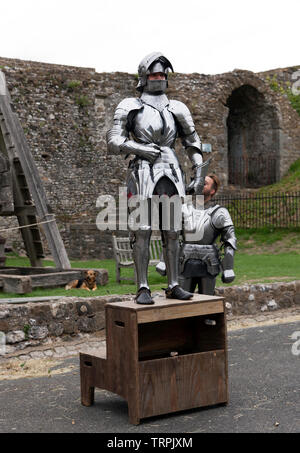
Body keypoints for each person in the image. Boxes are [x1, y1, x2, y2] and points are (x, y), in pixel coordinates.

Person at [107, 52, 209, 304]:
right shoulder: (130, 105)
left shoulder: (177, 107)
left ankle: (173, 284)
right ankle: (143, 287)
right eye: (154, 73)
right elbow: (113, 141)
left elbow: (192, 140)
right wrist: (139, 148)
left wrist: (198, 169)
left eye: (163, 74)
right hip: (142, 169)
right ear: (144, 76)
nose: (159, 78)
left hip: (172, 170)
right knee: (142, 230)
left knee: (173, 230)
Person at [156, 174, 237, 295]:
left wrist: (229, 267)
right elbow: (171, 237)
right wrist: (164, 261)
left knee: (207, 302)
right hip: (184, 260)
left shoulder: (220, 212)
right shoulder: (183, 209)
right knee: (182, 303)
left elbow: (230, 240)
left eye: (204, 184)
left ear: (213, 190)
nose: (199, 185)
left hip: (209, 262)